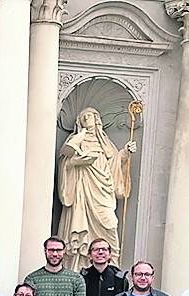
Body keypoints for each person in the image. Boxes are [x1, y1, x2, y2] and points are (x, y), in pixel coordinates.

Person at [57, 107, 136, 271]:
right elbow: (65, 162)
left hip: (103, 191)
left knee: (110, 225)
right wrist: (75, 162)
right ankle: (79, 266)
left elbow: (114, 163)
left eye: (90, 116)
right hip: (82, 191)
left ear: (96, 119)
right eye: (83, 116)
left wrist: (126, 153)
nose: (87, 119)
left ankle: (112, 265)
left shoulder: (104, 142)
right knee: (81, 227)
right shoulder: (77, 139)